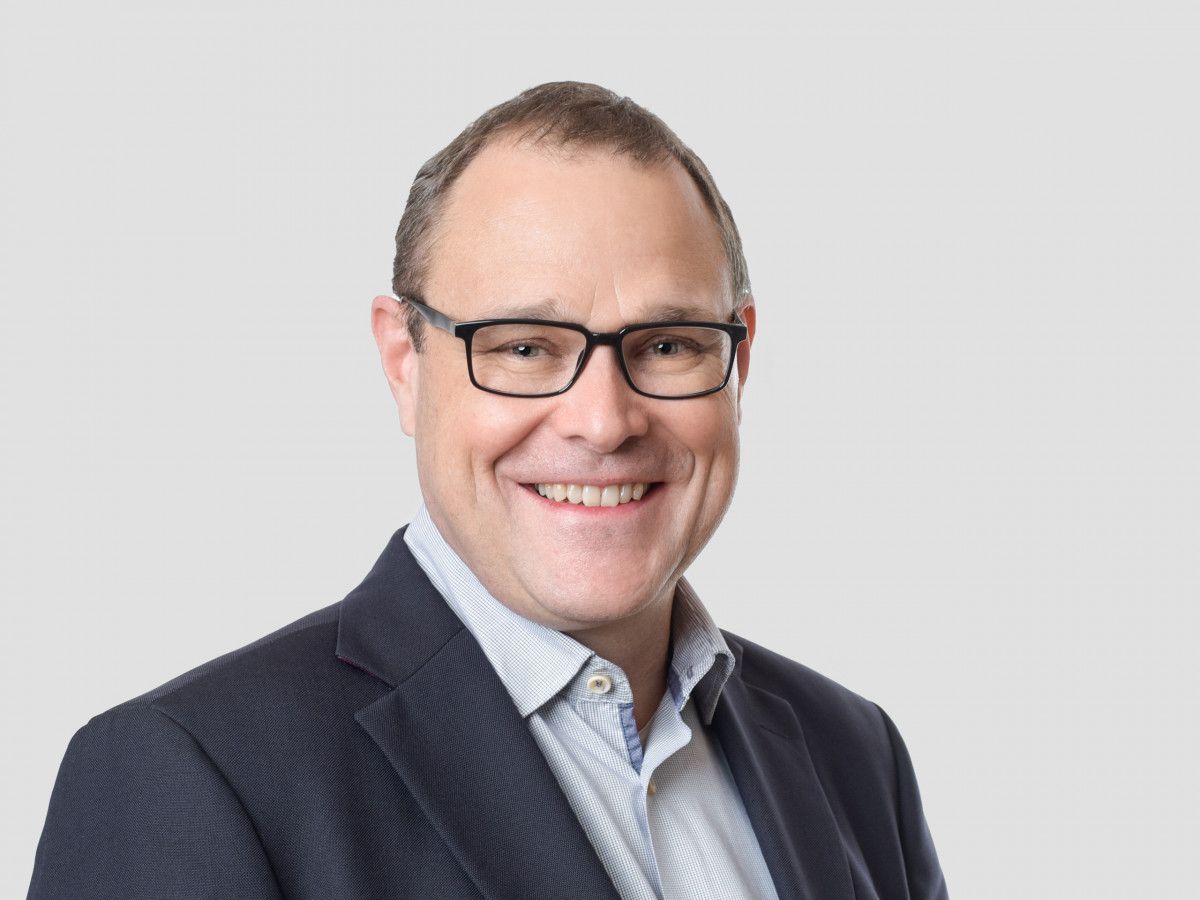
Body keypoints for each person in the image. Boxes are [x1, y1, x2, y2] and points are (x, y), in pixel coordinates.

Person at [27, 81, 949, 900]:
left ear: (737, 364)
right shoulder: (190, 779)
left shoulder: (854, 755)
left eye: (667, 345)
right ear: (404, 362)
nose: (603, 421)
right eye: (523, 347)